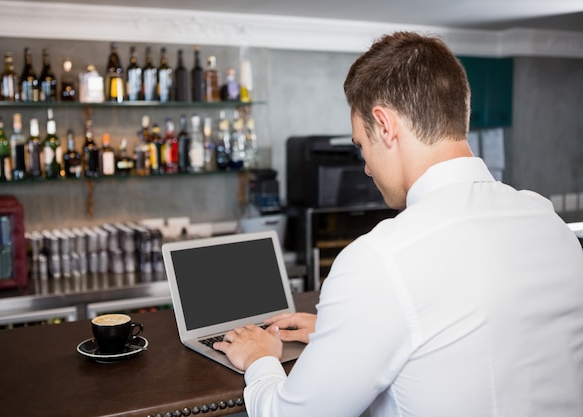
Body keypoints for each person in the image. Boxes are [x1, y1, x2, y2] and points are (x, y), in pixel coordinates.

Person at [214, 31, 583, 416]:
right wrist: (346, 330)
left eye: (361, 144)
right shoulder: (549, 223)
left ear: (385, 125)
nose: (366, 166)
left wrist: (260, 359)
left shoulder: (378, 260)